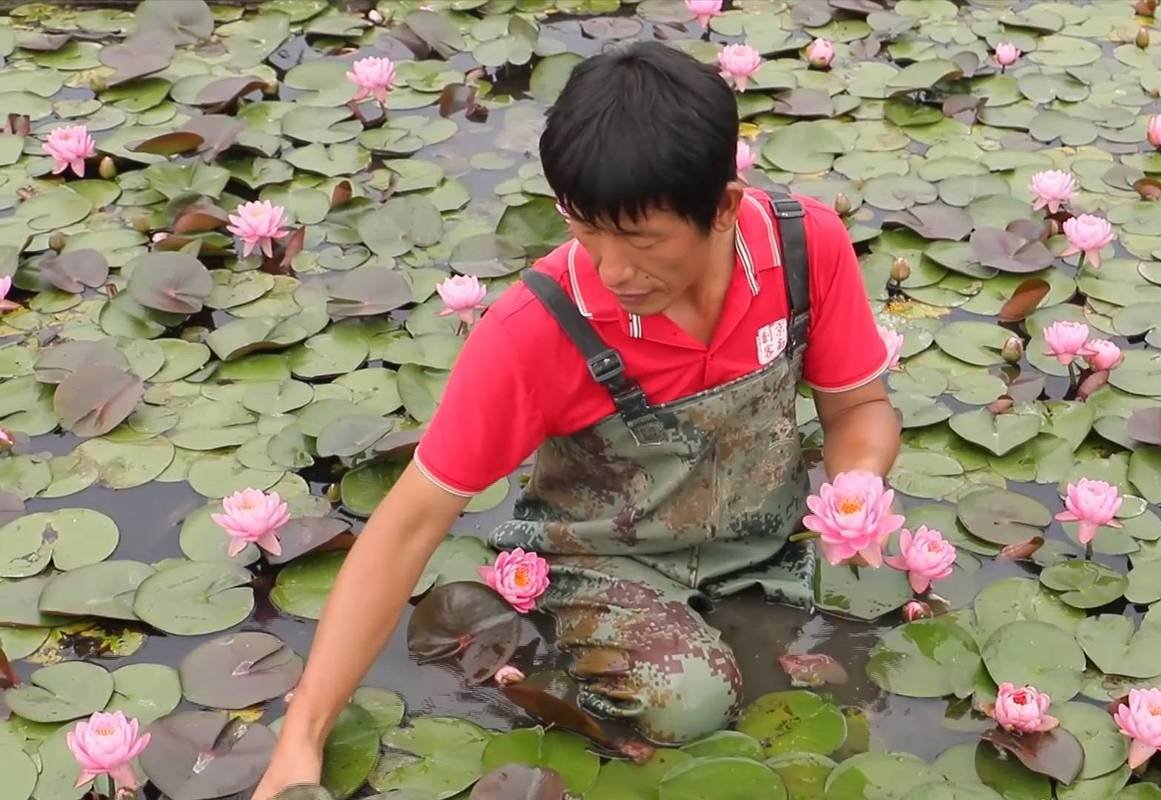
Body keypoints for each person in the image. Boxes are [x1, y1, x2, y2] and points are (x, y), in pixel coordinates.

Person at [253, 40, 900, 799]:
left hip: (764, 540)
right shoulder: (535, 329)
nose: (612, 269)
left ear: (724, 208)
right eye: (586, 228)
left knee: (858, 668)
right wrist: (302, 736)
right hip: (605, 562)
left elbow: (859, 408)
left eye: (641, 239)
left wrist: (855, 489)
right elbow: (409, 524)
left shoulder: (803, 246)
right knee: (690, 704)